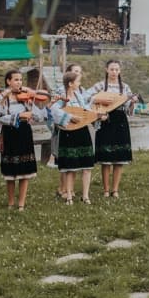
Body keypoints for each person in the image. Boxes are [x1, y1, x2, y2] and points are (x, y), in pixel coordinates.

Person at [0, 68, 47, 211]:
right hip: (9, 134)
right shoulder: (3, 98)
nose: (19, 83)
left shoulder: (26, 97)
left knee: (24, 171)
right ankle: (10, 202)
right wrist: (18, 116)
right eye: (16, 80)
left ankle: (21, 203)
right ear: (8, 81)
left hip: (24, 133)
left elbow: (39, 117)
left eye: (21, 80)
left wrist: (32, 103)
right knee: (10, 172)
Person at [85, 59, 136, 198]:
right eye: (112, 69)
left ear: (120, 71)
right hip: (105, 121)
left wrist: (132, 102)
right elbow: (85, 97)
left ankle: (115, 190)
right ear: (106, 70)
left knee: (119, 158)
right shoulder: (100, 86)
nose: (114, 72)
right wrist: (98, 100)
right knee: (106, 158)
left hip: (120, 121)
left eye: (117, 69)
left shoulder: (125, 87)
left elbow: (129, 110)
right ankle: (106, 190)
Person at [50, 69, 102, 203]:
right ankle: (68, 196)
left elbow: (85, 111)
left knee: (87, 165)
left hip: (82, 132)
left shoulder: (79, 96)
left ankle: (85, 196)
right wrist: (70, 117)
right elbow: (54, 111)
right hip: (68, 134)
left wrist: (96, 116)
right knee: (70, 167)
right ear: (70, 83)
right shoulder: (62, 97)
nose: (80, 83)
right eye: (78, 81)